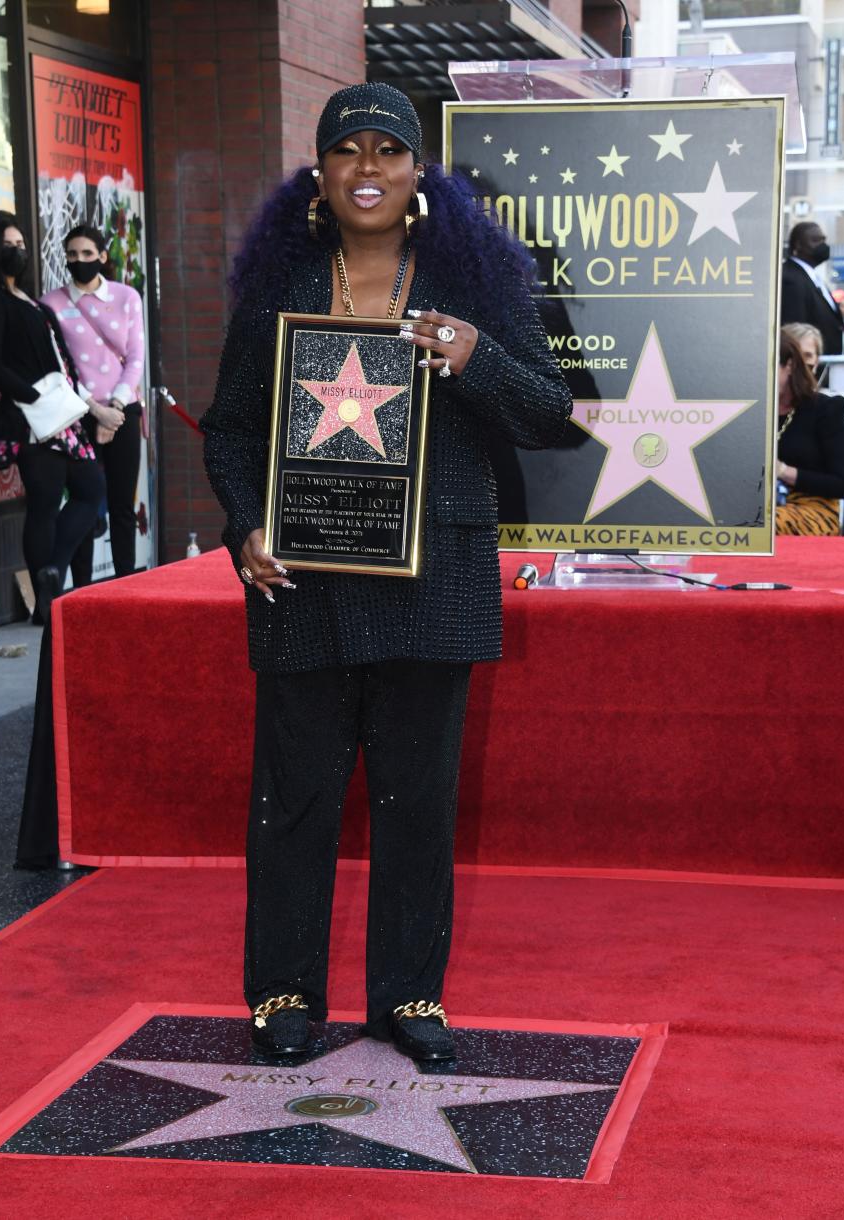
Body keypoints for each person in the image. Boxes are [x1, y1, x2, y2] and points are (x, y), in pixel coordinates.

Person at [201, 83, 572, 1062]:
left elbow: (546, 409)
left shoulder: (478, 282)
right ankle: (283, 990)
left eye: (387, 151)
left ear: (418, 176)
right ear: (318, 177)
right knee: (294, 800)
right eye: (347, 151)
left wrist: (476, 356)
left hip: (432, 576)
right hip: (303, 582)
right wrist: (245, 527)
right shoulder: (279, 285)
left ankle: (411, 997)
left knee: (418, 801)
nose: (368, 168)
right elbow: (233, 428)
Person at [0, 213, 106, 622]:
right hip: (27, 417)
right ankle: (47, 604)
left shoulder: (26, 297)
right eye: (9, 245)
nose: (18, 252)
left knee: (91, 488)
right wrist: (35, 397)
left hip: (59, 413)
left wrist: (67, 397)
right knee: (44, 502)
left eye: (22, 244)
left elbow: (55, 354)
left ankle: (50, 573)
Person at [41, 224, 146, 583]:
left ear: (102, 256)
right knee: (85, 502)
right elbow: (58, 365)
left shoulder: (127, 297)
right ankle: (82, 588)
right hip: (77, 413)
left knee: (121, 505)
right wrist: (94, 410)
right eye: (72, 255)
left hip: (123, 412)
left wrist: (114, 408)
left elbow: (135, 358)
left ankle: (126, 583)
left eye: (87, 254)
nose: (79, 261)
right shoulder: (50, 303)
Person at [776, 328, 844, 535]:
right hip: (755, 505)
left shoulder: (826, 410)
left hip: (812, 508)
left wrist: (782, 471)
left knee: (757, 527)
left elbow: (842, 484)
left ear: (789, 366)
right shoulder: (752, 411)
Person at [780, 222, 844, 357]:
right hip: (809, 366)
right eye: (815, 240)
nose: (822, 245)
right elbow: (795, 327)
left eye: (823, 240)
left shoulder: (811, 275)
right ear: (798, 245)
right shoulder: (790, 278)